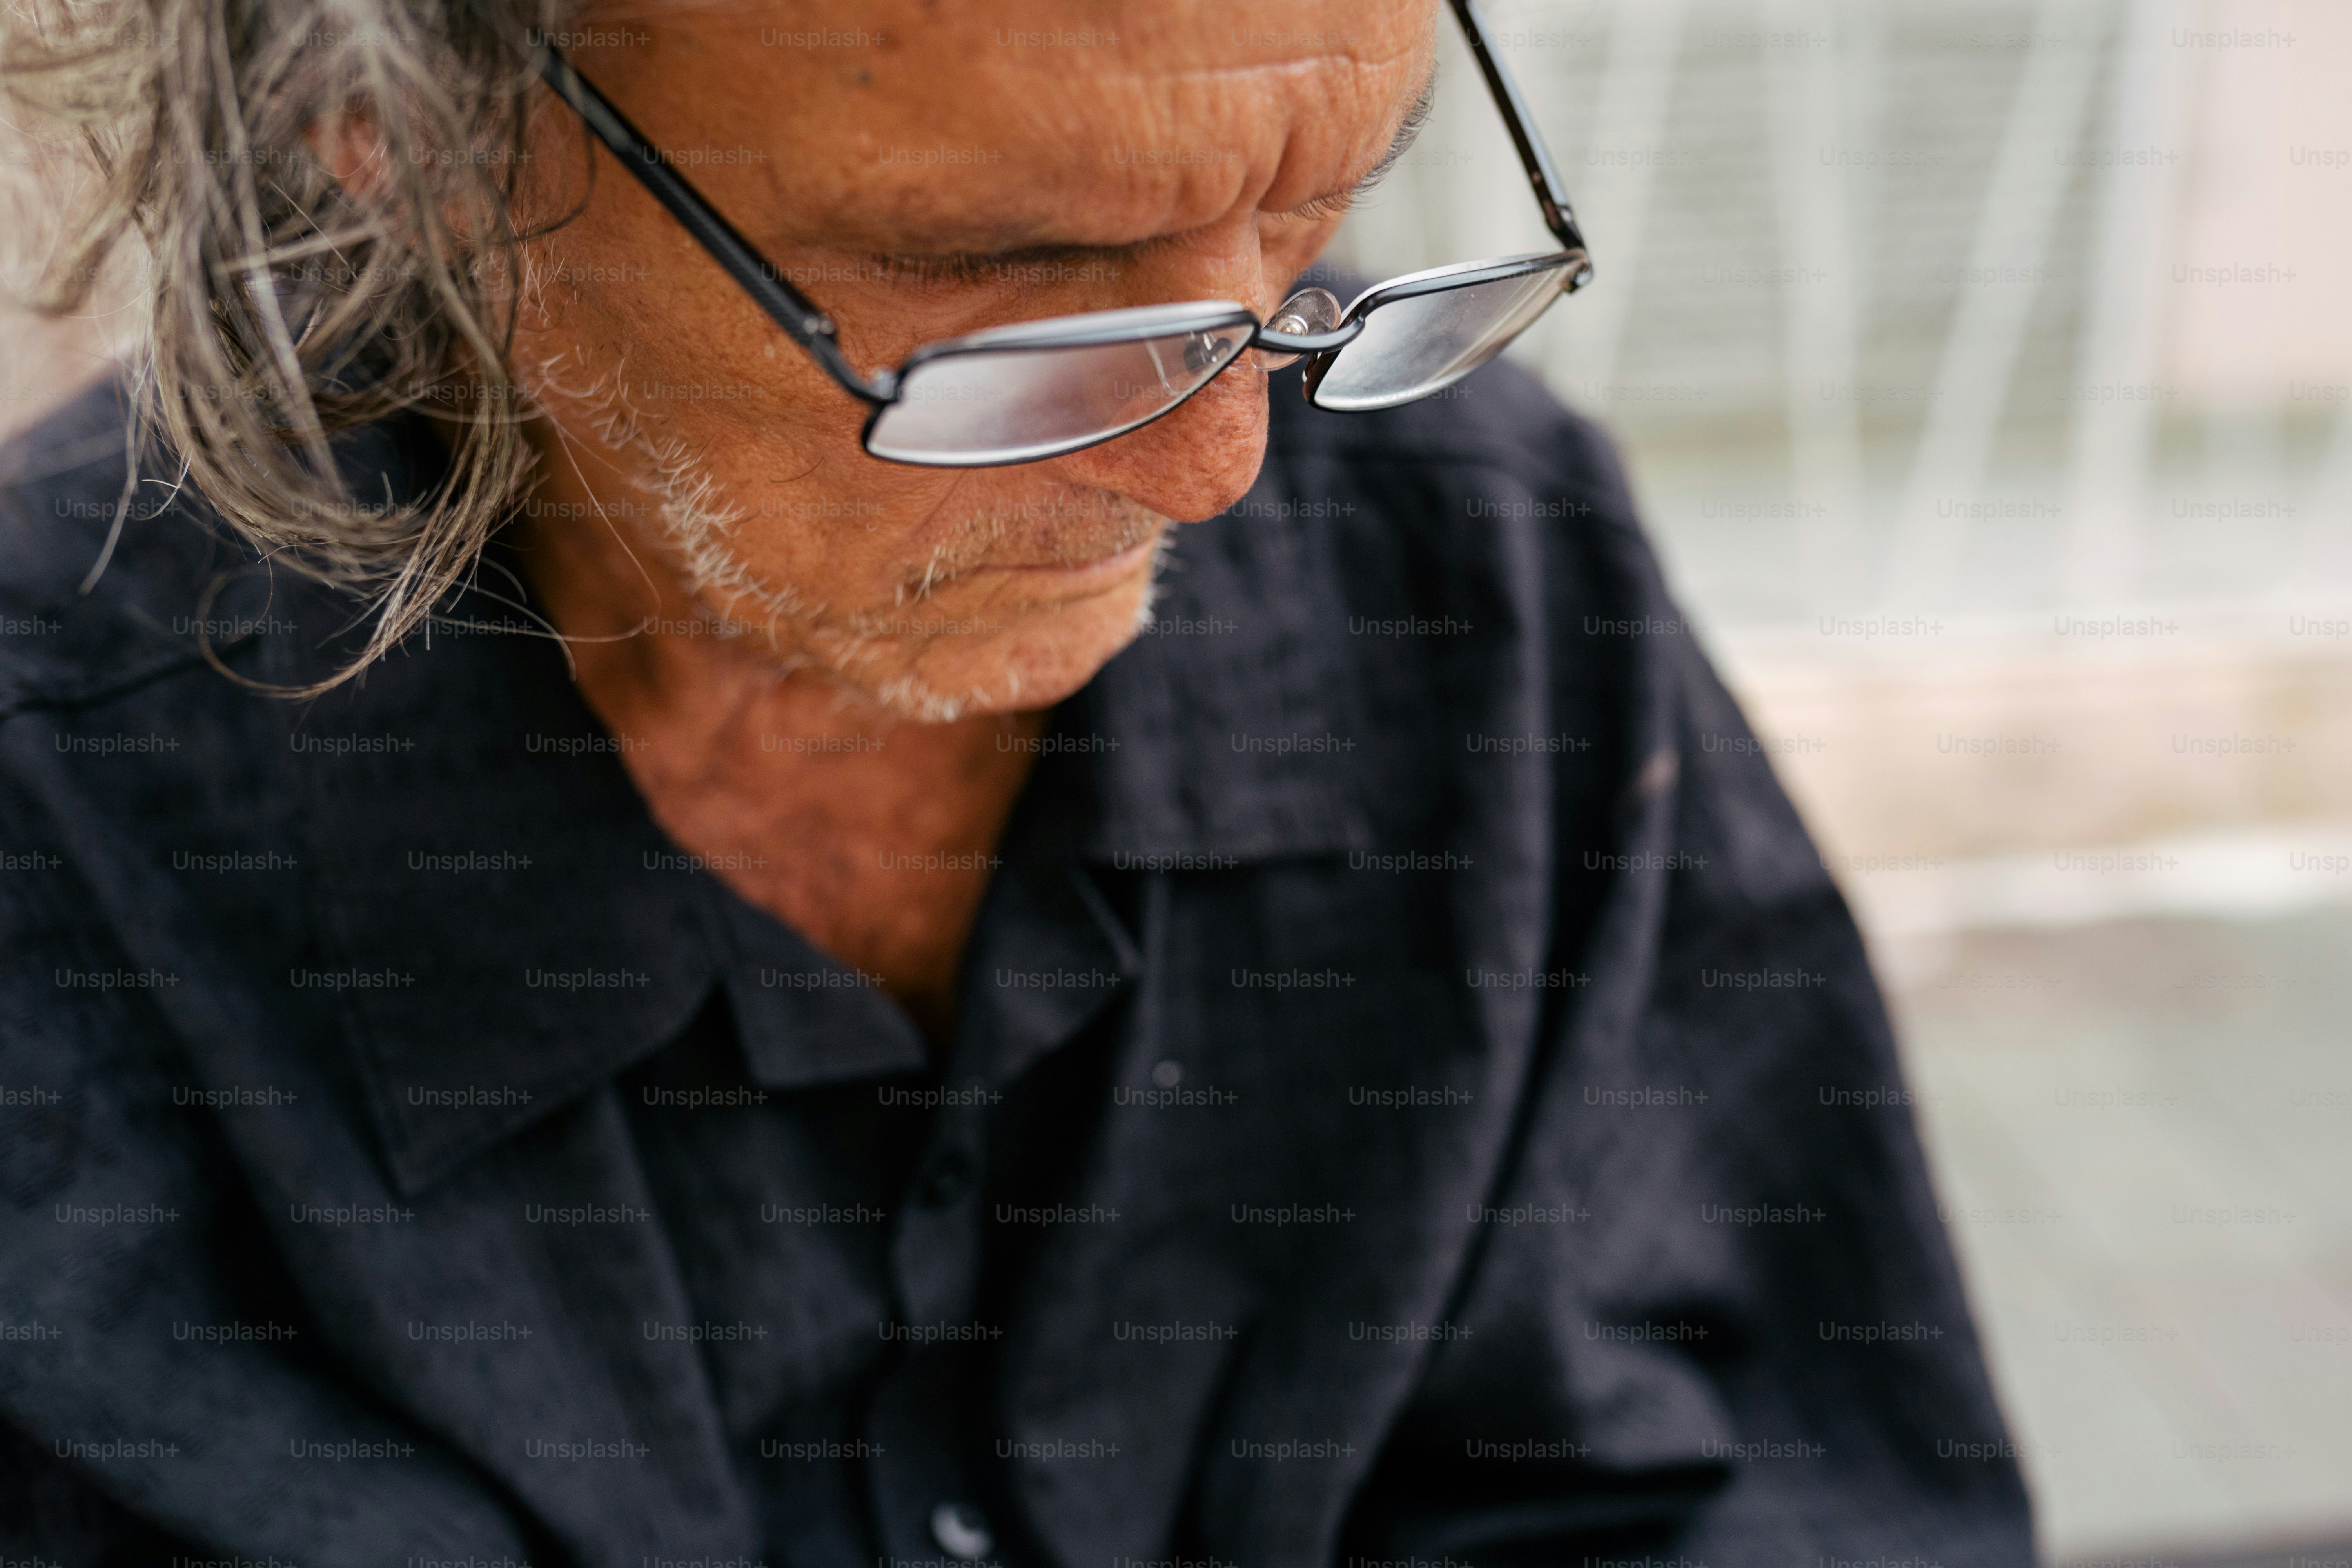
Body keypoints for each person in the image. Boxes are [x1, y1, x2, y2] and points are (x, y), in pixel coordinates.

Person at [0, 0, 2033, 1563]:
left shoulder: (1478, 573)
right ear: (396, 135)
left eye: (1317, 205)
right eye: (1017, 277)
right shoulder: (61, 817)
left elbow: (1779, 1476)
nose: (1224, 470)